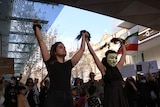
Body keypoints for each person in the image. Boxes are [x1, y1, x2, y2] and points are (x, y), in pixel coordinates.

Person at [33, 21, 88, 107]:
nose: (64, 49)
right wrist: (36, 26)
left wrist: (84, 36)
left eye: (64, 47)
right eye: (61, 47)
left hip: (67, 97)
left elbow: (82, 49)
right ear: (55, 51)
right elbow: (41, 41)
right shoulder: (50, 61)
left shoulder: (69, 64)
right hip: (53, 97)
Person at [86, 33, 129, 107]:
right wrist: (87, 42)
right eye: (111, 58)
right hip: (110, 96)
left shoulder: (117, 67)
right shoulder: (104, 69)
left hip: (120, 95)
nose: (114, 60)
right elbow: (94, 55)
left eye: (115, 58)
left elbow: (124, 55)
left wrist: (122, 44)